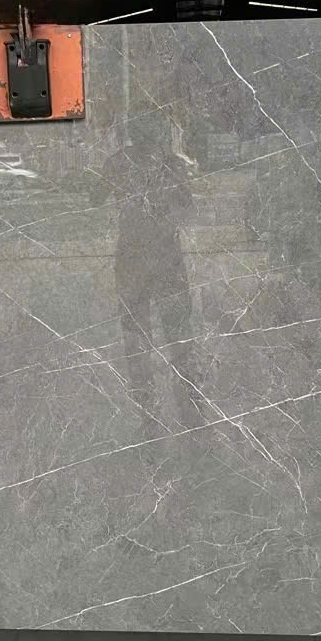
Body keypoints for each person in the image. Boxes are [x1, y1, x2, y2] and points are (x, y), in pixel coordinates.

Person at [89, 113, 203, 430]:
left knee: (136, 333)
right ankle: (189, 401)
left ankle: (147, 409)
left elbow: (95, 197)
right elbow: (187, 207)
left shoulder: (118, 162)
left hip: (132, 256)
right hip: (167, 254)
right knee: (178, 329)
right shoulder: (171, 163)